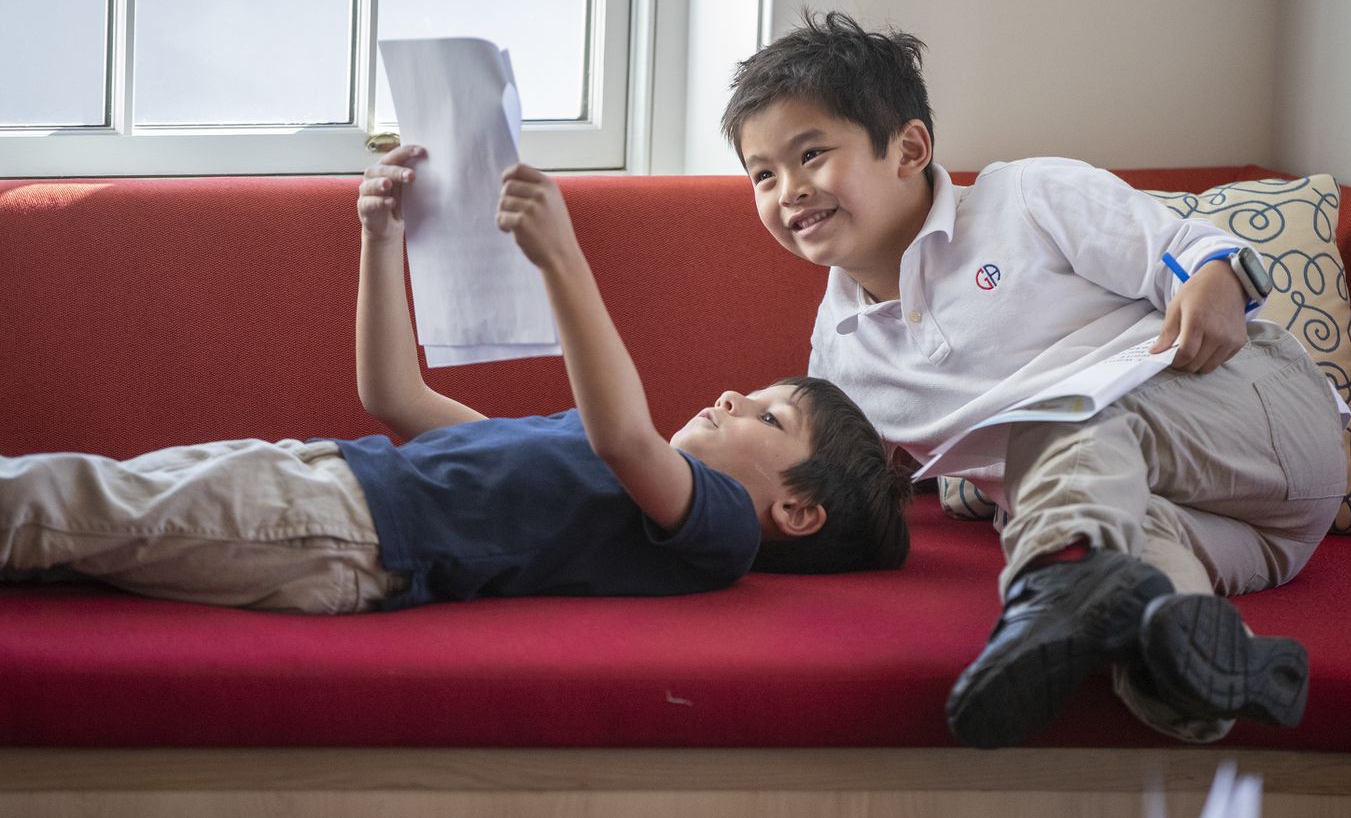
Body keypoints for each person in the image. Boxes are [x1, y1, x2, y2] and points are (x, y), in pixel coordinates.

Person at [721, 10, 1346, 747]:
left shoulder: (1025, 199)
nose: (787, 189)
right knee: (1131, 594)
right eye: (763, 174)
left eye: (812, 154)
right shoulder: (841, 353)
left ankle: (1050, 585)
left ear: (910, 148)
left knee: (1058, 416)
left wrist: (1214, 278)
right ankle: (1207, 673)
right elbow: (835, 483)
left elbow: (1188, 247)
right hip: (1230, 533)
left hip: (1255, 418)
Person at [0, 145, 910, 614]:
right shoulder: (578, 451)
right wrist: (380, 236)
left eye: (767, 416)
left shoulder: (719, 531)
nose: (728, 397)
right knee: (74, 516)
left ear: (795, 509)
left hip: (343, 532)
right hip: (319, 475)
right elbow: (392, 396)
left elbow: (625, 433)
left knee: (62, 500)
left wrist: (563, 260)